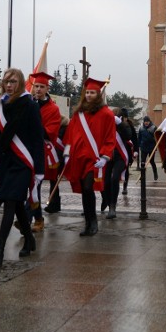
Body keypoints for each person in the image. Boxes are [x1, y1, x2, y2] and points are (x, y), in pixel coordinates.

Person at [0, 68, 45, 268]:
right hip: (5, 162)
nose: (9, 85)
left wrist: (39, 169)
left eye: (13, 82)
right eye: (6, 82)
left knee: (10, 201)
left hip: (23, 162)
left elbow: (38, 138)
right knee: (17, 203)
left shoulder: (29, 105)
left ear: (20, 83)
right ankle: (29, 239)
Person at [61, 78, 117, 236]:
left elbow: (110, 137)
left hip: (95, 159)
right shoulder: (79, 113)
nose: (89, 95)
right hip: (78, 158)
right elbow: (70, 135)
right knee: (84, 191)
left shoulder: (106, 114)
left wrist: (105, 157)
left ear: (98, 95)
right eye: (87, 92)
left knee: (88, 187)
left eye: (92, 92)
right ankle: (88, 222)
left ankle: (93, 223)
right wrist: (67, 153)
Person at [27, 72, 62, 232]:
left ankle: (31, 219)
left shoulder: (53, 109)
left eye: (42, 86)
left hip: (42, 152)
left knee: (35, 186)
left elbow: (51, 132)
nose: (38, 89)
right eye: (36, 86)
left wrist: (34, 124)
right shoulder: (27, 103)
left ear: (47, 88)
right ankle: (37, 218)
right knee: (28, 186)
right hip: (25, 150)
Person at [102, 106, 131, 219]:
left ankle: (112, 207)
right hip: (108, 156)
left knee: (115, 178)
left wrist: (120, 124)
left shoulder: (123, 126)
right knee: (105, 182)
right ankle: (107, 201)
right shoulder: (106, 126)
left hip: (120, 157)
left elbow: (128, 135)